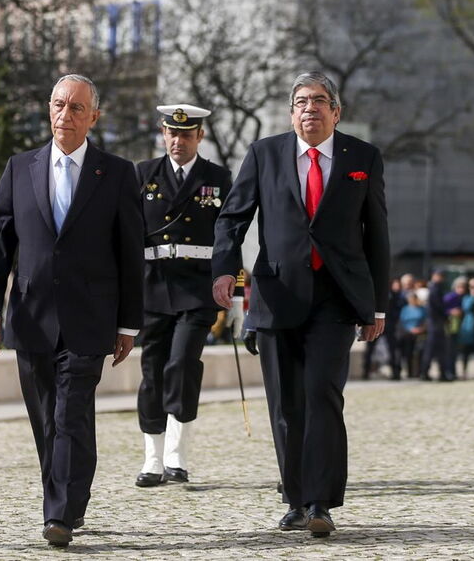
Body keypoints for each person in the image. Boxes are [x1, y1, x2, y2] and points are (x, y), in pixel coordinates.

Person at [211, 71, 390, 538]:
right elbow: (232, 218)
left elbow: (377, 234)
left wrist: (377, 306)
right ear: (291, 113)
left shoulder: (362, 157)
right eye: (302, 101)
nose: (310, 108)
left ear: (336, 112)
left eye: (320, 100)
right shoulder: (264, 154)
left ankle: (320, 502)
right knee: (286, 403)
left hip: (337, 297)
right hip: (277, 295)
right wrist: (225, 270)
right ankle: (295, 499)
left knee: (323, 394)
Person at [0, 74, 144, 548]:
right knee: (47, 420)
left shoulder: (116, 173)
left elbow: (130, 252)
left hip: (90, 319)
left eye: (76, 108)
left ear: (94, 117)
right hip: (31, 317)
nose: (65, 115)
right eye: (58, 105)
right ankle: (72, 497)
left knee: (70, 414)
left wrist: (129, 322)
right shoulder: (19, 168)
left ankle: (59, 515)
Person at [134, 103, 238, 487]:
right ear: (164, 134)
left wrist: (236, 291)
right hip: (153, 284)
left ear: (200, 136)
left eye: (186, 134)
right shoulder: (144, 174)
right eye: (172, 133)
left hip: (197, 287)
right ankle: (152, 458)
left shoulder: (217, 178)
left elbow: (230, 236)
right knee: (152, 370)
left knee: (181, 364)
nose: (178, 141)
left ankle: (176, 455)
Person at [420, 270, 452, 381]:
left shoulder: (436, 288)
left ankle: (437, 373)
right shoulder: (435, 289)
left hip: (435, 322)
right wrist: (446, 317)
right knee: (435, 349)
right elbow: (438, 306)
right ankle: (427, 373)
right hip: (435, 323)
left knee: (436, 349)